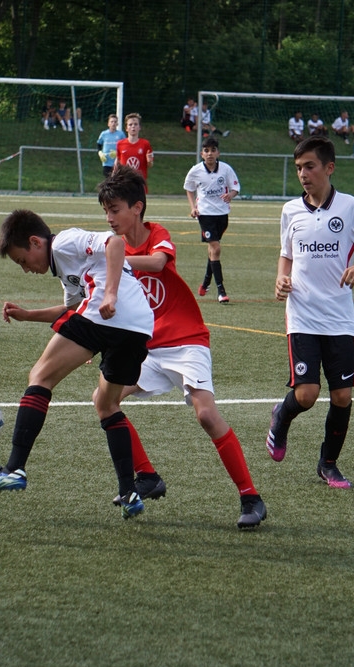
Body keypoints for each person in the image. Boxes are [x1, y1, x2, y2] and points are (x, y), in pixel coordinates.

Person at [98, 167, 267, 529]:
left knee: (206, 415)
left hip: (187, 339)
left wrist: (116, 261)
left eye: (115, 210)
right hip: (147, 347)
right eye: (106, 211)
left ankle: (250, 496)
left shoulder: (155, 234)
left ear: (137, 208)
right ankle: (147, 478)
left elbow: (159, 263)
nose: (109, 218)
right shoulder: (108, 247)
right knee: (104, 400)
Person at [0, 210, 155, 521]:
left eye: (22, 260)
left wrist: (109, 294)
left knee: (40, 376)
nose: (25, 269)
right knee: (108, 404)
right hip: (138, 326)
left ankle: (14, 468)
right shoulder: (65, 269)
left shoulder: (64, 243)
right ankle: (129, 492)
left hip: (108, 314)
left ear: (36, 242)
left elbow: (114, 243)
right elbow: (72, 307)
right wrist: (28, 314)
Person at [266, 136, 354, 489]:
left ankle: (328, 464)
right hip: (302, 313)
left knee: (342, 396)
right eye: (299, 168)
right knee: (306, 394)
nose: (303, 174)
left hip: (339, 316)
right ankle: (281, 414)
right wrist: (281, 277)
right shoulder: (290, 210)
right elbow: (286, 253)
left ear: (329, 167)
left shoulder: (350, 207)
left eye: (310, 166)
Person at [185, 137, 240, 304]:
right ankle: (221, 290)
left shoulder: (225, 169)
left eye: (213, 150)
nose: (210, 154)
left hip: (222, 214)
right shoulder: (195, 171)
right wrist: (193, 207)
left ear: (218, 153)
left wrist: (230, 195)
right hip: (205, 214)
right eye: (206, 151)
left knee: (212, 250)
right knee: (215, 248)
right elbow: (189, 189)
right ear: (202, 154)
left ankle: (205, 282)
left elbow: (236, 188)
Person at [115, 112, 154, 186]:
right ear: (126, 128)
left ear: (139, 127)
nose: (133, 126)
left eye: (135, 124)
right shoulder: (120, 144)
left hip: (139, 182)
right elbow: (118, 162)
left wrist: (149, 161)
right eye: (130, 124)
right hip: (125, 182)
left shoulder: (145, 144)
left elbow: (150, 164)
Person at [96, 113, 125, 179]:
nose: (113, 123)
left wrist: (118, 153)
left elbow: (125, 146)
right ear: (108, 123)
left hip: (117, 162)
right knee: (108, 180)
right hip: (107, 162)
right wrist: (100, 153)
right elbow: (98, 144)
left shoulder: (121, 134)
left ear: (117, 124)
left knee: (117, 180)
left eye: (115, 122)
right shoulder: (104, 134)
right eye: (112, 121)